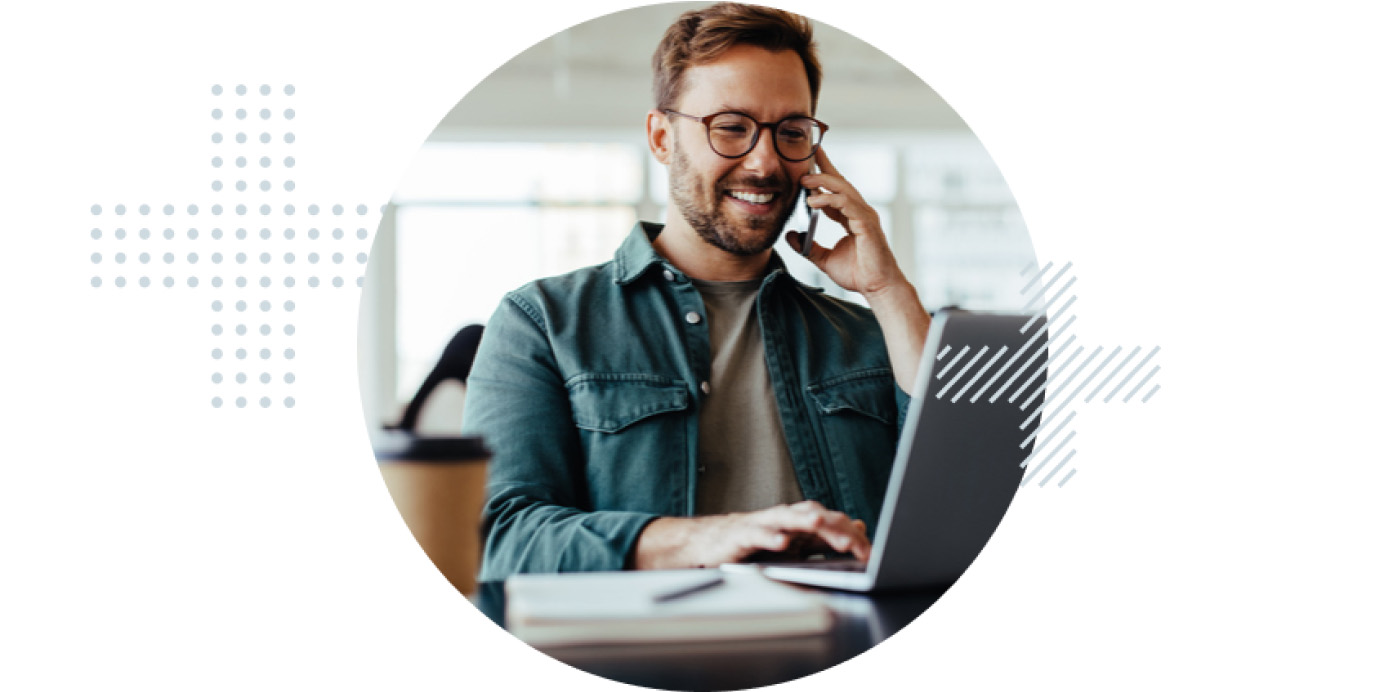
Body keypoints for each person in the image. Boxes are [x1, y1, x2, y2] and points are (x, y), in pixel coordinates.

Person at [464, 2, 930, 580]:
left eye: (790, 132)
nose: (764, 162)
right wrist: (713, 536)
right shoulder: (542, 323)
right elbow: (497, 538)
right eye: (731, 127)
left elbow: (962, 497)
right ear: (662, 137)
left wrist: (887, 290)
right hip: (646, 662)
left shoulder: (865, 335)